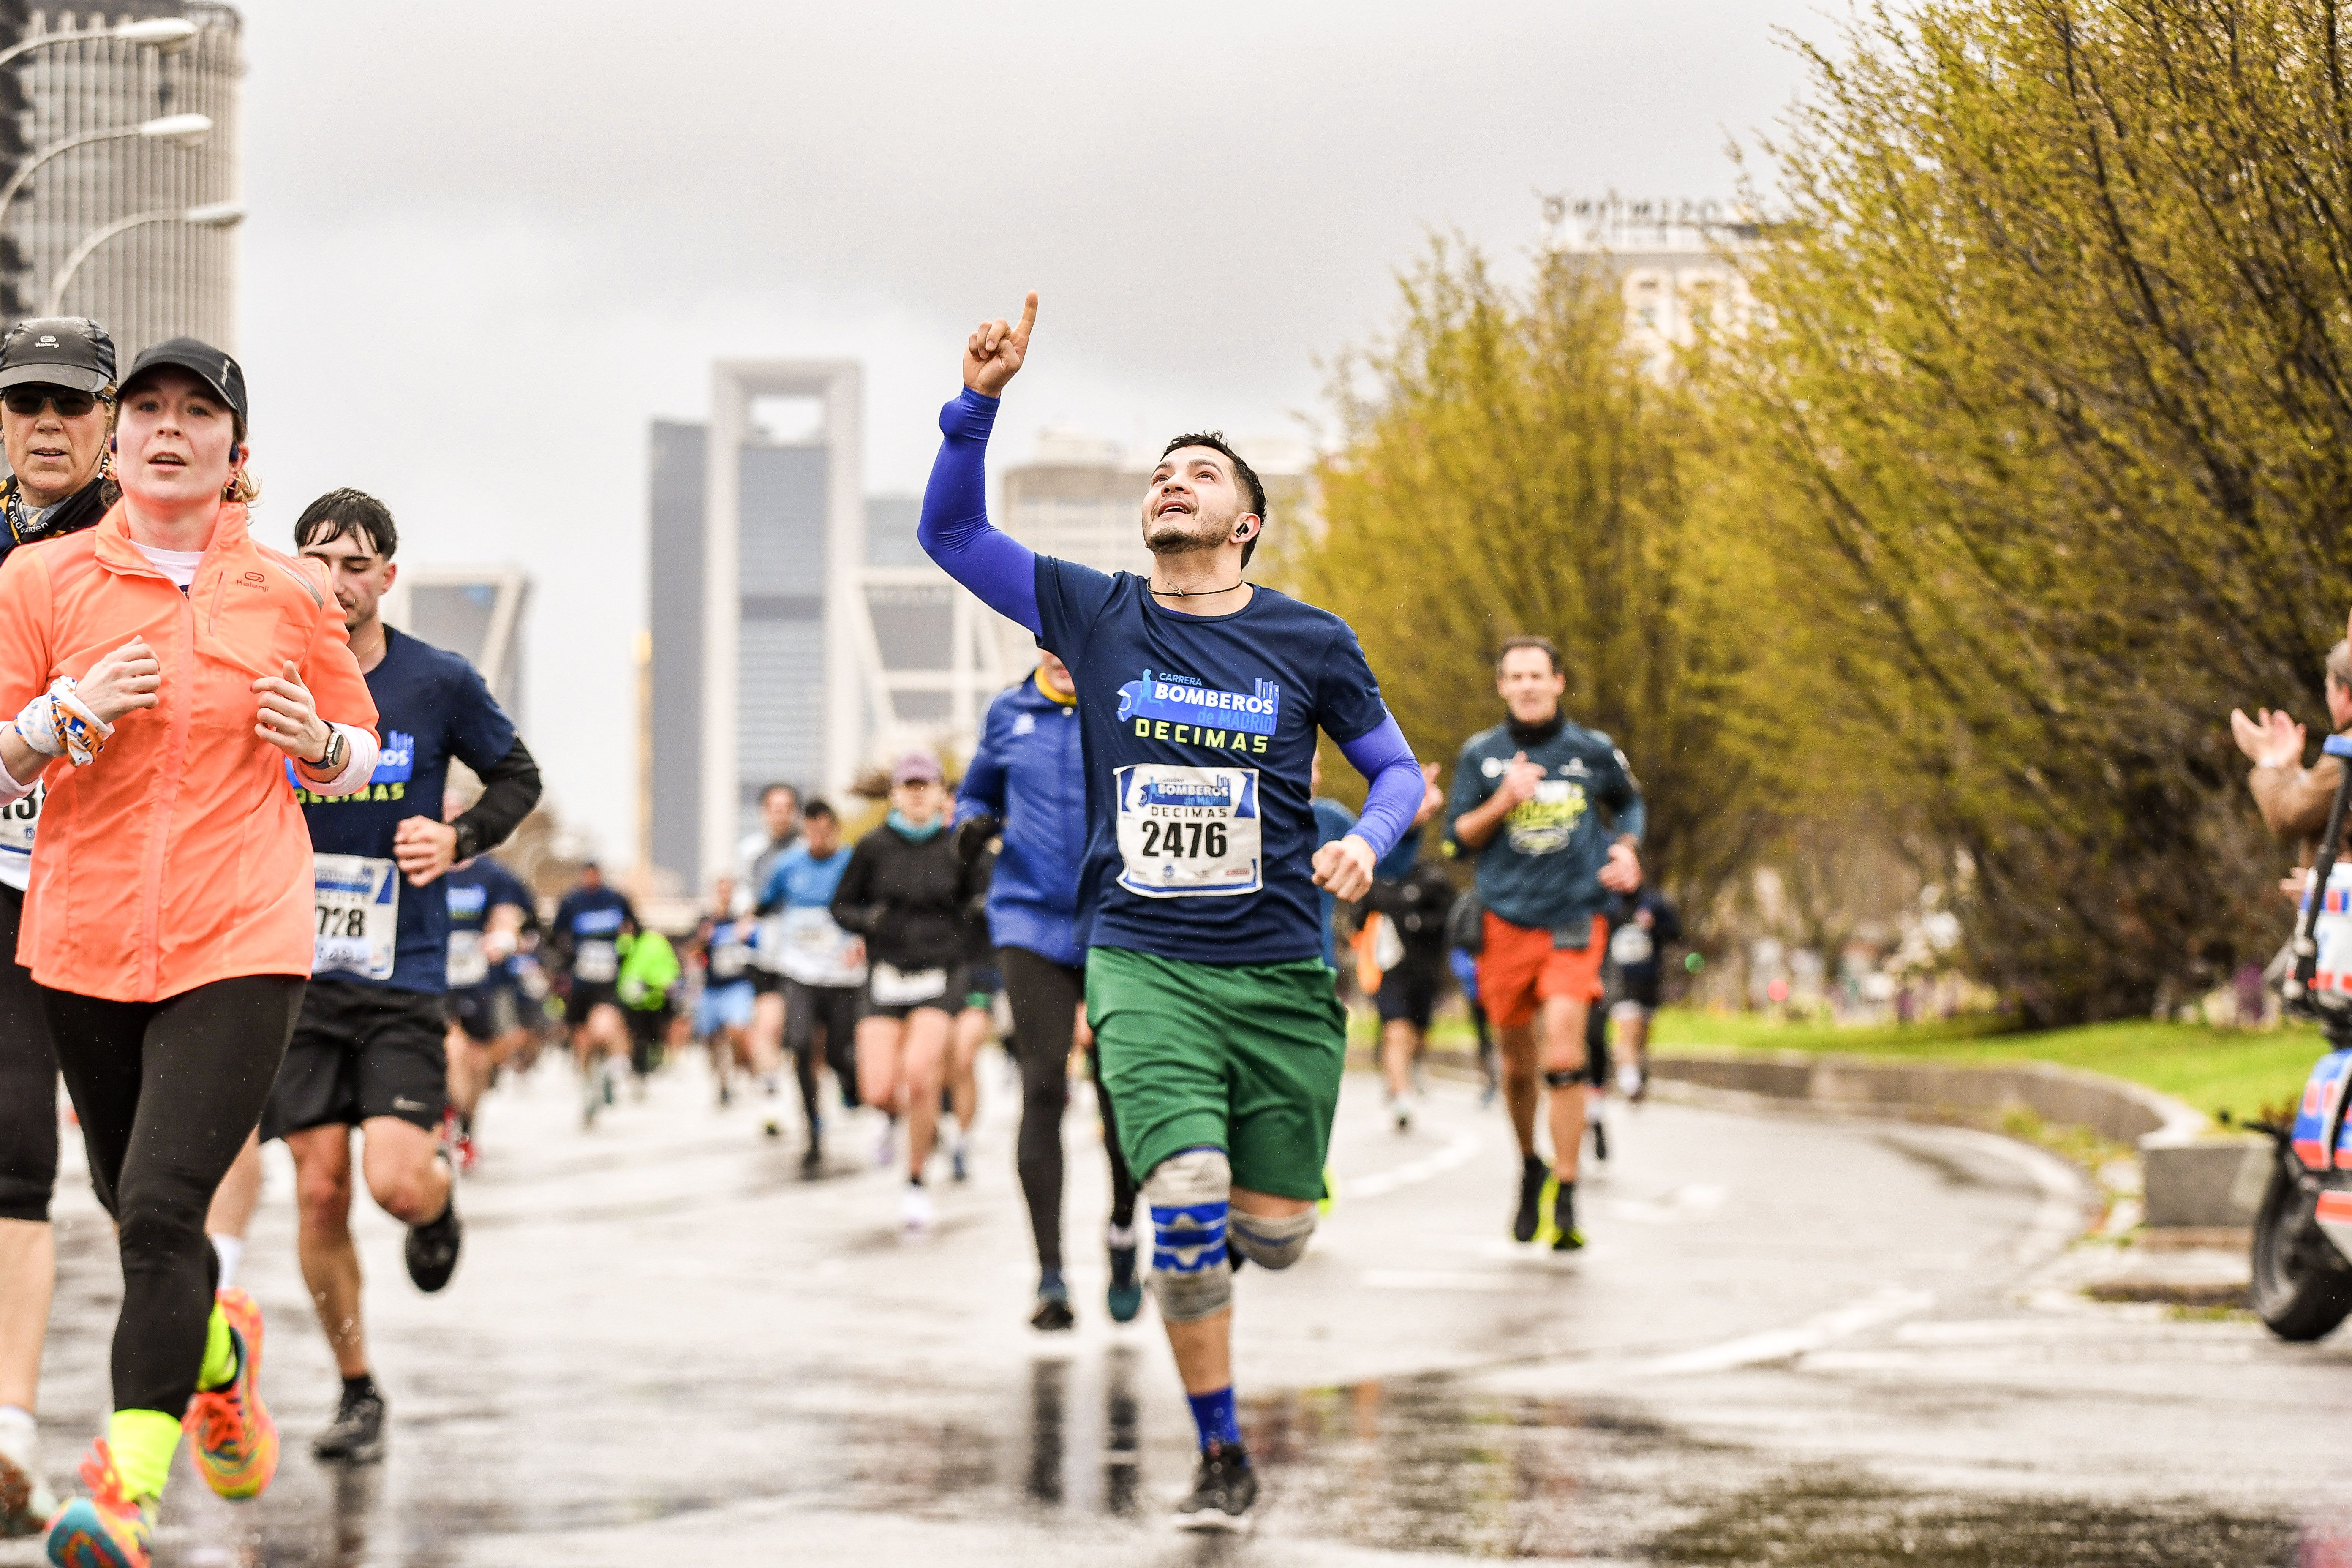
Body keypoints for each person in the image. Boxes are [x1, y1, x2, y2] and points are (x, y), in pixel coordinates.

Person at [921, 294, 1423, 1529]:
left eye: (1195, 474)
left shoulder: (1311, 641)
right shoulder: (1096, 616)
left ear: (1243, 521)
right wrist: (976, 402)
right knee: (1185, 1198)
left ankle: (1263, 1218)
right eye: (1157, 475)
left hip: (1280, 971)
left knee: (1274, 1232)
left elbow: (1401, 773)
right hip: (1141, 960)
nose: (1168, 484)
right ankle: (1217, 1448)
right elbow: (949, 530)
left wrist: (1366, 840)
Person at [0, 338, 383, 1567]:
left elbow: (362, 744)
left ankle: (125, 1489)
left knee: (167, 1206)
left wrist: (321, 742)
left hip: (240, 933)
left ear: (238, 453)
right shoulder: (43, 583)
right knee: (129, 1210)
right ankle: (220, 1354)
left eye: (199, 413)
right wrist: (61, 718)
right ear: (121, 443)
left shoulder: (288, 594)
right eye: (151, 410)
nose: (171, 430)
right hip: (83, 935)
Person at [241, 488, 541, 1471]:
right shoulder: (266, 670)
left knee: (394, 1182)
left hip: (402, 969)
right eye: (317, 559)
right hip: (291, 970)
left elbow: (518, 778)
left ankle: (438, 1202)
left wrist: (457, 837)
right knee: (320, 1192)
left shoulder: (436, 681)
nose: (335, 580)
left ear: (386, 577)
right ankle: (356, 1387)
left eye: (355, 563)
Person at [0, 315, 121, 1537]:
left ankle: (196, 1357)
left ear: (107, 422)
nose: (45, 424)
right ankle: (11, 1432)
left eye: (69, 405)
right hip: (1, 871)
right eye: (24, 402)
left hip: (107, 878)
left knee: (132, 1178)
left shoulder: (144, 549)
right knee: (11, 1148)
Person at [955, 649, 1143, 1331]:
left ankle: (1123, 1227)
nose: (1066, 655)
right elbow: (974, 795)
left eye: (1078, 639)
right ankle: (1051, 1275)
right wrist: (970, 827)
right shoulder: (1008, 713)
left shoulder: (1128, 702)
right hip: (1029, 921)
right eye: (1051, 640)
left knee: (1119, 1086)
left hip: (1116, 917)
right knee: (1041, 1085)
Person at [1445, 635, 1644, 1254]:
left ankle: (1566, 1188)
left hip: (1574, 918)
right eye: (1516, 676)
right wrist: (1504, 800)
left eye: (1538, 675)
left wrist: (1627, 851)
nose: (1528, 686)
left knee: (1564, 1049)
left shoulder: (1591, 750)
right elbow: (1457, 841)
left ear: (1559, 682)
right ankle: (1529, 1166)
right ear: (1502, 686)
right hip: (1505, 921)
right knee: (1518, 1064)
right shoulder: (1482, 756)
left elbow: (1630, 804)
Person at [831, 752, 990, 1234]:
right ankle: (894, 1120)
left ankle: (916, 1181)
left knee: (920, 1075)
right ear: (895, 794)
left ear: (943, 794)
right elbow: (840, 905)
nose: (918, 794)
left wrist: (975, 935)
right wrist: (865, 922)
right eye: (909, 786)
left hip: (942, 972)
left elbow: (982, 903)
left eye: (927, 785)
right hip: (886, 973)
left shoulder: (959, 847)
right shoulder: (872, 847)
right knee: (879, 1087)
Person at [760, 799, 866, 1168]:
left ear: (835, 829)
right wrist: (748, 922)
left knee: (839, 1052)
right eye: (812, 831)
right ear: (805, 830)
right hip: (799, 970)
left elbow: (870, 906)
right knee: (801, 1044)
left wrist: (864, 937)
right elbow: (766, 903)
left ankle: (851, 1084)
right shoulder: (787, 864)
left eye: (826, 830)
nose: (819, 838)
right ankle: (813, 1129)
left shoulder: (853, 862)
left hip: (842, 973)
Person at [1360, 768, 1454, 1132]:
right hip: (1388, 968)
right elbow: (1360, 918)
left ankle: (1413, 1069)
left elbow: (1447, 922)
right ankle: (1401, 1098)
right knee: (1395, 1031)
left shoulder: (1432, 879)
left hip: (1425, 969)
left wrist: (1419, 924)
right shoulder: (1377, 878)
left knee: (1416, 1033)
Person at [442, 834, 536, 1167]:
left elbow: (513, 917)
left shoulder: (494, 875)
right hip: (438, 982)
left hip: (481, 983)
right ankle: (447, 1115)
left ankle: (466, 1128)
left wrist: (504, 938)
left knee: (480, 1065)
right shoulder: (423, 867)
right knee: (453, 1051)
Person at [2233, 639, 2352, 901]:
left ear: (2344, 693)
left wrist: (2267, 760)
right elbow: (2328, 803)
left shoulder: (2348, 747)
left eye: (2328, 688)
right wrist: (2291, 771)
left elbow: (2289, 817)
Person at [552, 864, 638, 1127]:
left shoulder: (616, 899)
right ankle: (589, 1087)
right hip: (581, 982)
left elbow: (636, 929)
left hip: (608, 980)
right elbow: (556, 935)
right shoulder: (571, 901)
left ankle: (615, 1070)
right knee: (584, 1040)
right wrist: (569, 956)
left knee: (605, 1027)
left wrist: (625, 951)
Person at [738, 783, 802, 1108]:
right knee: (767, 1024)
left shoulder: (807, 849)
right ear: (764, 813)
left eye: (786, 808)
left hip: (806, 955)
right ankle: (770, 1095)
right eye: (773, 808)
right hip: (765, 953)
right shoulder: (750, 852)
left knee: (807, 1037)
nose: (779, 815)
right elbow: (745, 900)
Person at [1605, 881, 1681, 1100]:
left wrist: (1655, 924)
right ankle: (1631, 1084)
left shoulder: (1654, 901)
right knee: (1628, 1030)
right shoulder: (1607, 902)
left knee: (1642, 1034)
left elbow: (1675, 932)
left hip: (1649, 980)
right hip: (1619, 980)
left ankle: (1636, 1071)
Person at [690, 876, 759, 1107]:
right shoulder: (704, 922)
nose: (725, 895)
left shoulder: (742, 921)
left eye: (729, 891)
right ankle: (722, 1082)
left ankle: (741, 1072)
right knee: (712, 1041)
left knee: (737, 1031)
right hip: (711, 988)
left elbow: (760, 948)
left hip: (737, 985)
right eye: (721, 891)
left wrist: (748, 935)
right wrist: (702, 939)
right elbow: (690, 951)